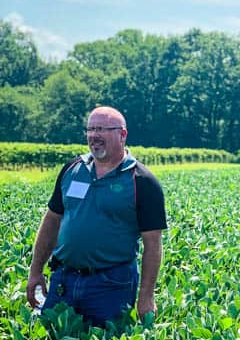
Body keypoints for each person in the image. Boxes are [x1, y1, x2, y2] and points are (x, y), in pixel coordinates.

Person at [27, 106, 167, 327]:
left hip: (111, 284)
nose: (94, 136)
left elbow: (153, 244)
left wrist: (146, 296)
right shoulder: (72, 170)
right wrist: (35, 272)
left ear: (122, 134)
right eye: (90, 129)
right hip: (64, 279)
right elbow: (52, 220)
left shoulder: (142, 180)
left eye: (102, 129)